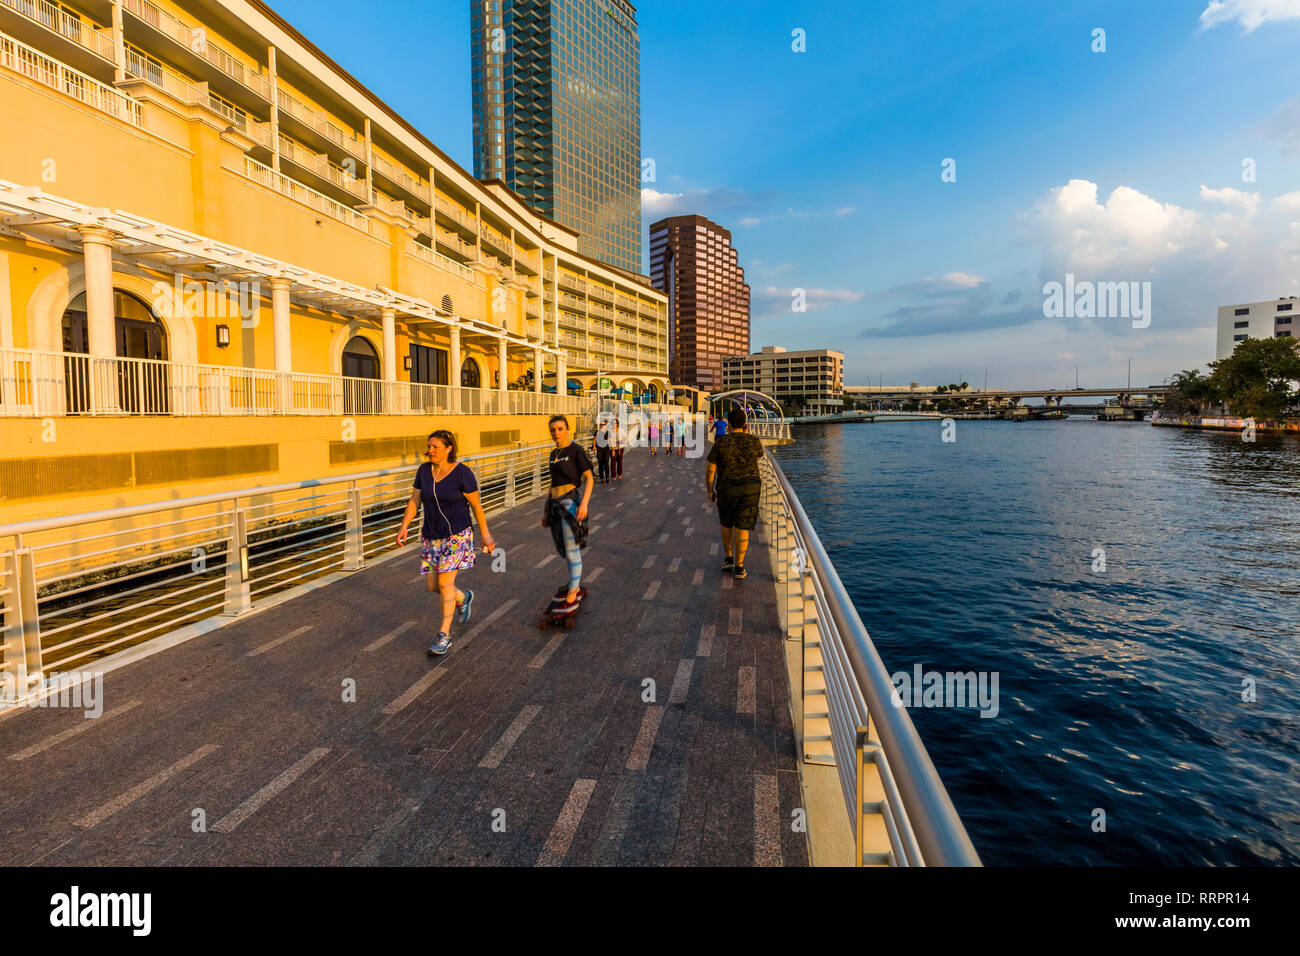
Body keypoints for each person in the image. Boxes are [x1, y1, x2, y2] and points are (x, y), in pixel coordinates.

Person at [397, 429, 495, 655]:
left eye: (435, 447)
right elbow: (415, 500)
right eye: (429, 446)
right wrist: (404, 526)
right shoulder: (424, 471)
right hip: (431, 535)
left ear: (448, 449)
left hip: (457, 535)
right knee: (433, 586)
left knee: (444, 584)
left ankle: (444, 636)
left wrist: (486, 535)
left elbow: (476, 507)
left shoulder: (462, 474)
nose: (429, 450)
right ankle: (463, 598)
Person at [542, 415, 594, 612]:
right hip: (555, 504)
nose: (556, 432)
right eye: (553, 429)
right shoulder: (553, 453)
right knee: (564, 547)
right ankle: (575, 583)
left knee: (572, 550)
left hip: (570, 503)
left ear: (567, 430)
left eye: (560, 429)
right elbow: (553, 484)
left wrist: (584, 505)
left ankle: (573, 592)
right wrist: (546, 510)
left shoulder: (575, 450)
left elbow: (589, 478)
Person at [705, 408, 764, 580]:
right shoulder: (754, 441)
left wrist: (710, 489)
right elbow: (758, 457)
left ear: (728, 425)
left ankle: (729, 558)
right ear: (745, 424)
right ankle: (739, 567)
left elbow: (710, 469)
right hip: (750, 488)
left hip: (727, 488)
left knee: (726, 522)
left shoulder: (721, 442)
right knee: (743, 526)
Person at [594, 417, 612, 483]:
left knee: (606, 463)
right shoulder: (597, 431)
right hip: (599, 450)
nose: (603, 425)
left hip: (606, 450)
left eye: (604, 424)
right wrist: (594, 446)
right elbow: (594, 439)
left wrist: (612, 449)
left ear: (606, 425)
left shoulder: (608, 432)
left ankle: (607, 477)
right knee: (600, 464)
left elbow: (610, 440)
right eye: (601, 424)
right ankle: (602, 478)